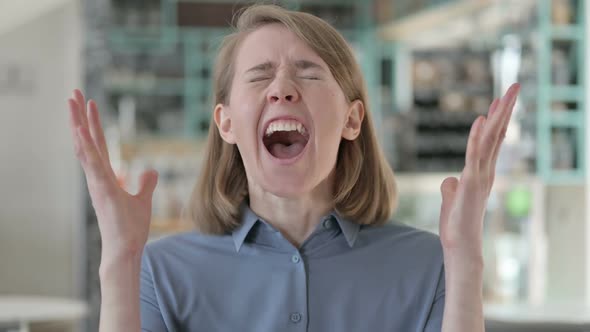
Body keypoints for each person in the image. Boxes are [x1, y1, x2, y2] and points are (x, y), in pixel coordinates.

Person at [67, 4, 519, 332]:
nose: (282, 88)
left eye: (308, 72)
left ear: (351, 119)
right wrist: (119, 263)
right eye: (260, 74)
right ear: (225, 122)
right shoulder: (161, 271)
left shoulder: (430, 265)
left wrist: (466, 261)